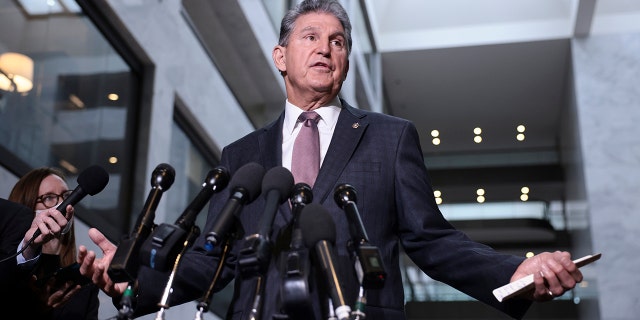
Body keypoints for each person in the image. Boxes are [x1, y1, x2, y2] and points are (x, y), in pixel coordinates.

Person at [78, 1, 583, 319]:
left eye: (337, 41)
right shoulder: (242, 155)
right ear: (280, 56)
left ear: (344, 61)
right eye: (311, 37)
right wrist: (131, 283)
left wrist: (517, 269)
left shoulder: (390, 138)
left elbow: (432, 240)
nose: (325, 49)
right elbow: (217, 259)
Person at [8, 167, 99, 320]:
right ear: (26, 206)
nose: (63, 204)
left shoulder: (83, 283)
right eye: (49, 197)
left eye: (66, 196)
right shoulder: (9, 265)